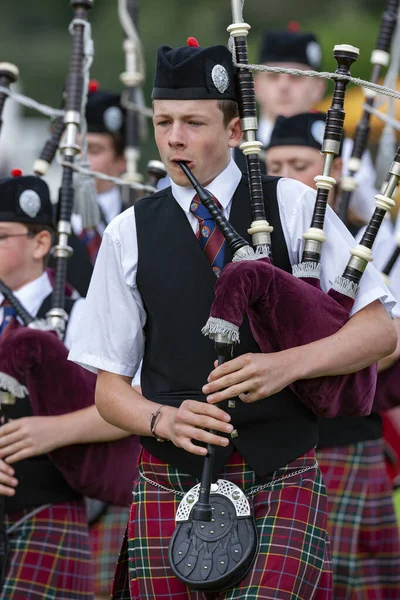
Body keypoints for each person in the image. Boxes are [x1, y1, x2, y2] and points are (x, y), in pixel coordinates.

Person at [69, 41, 397, 600]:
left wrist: (287, 365)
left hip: (280, 470)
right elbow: (110, 388)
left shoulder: (292, 205)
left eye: (194, 121)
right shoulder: (127, 233)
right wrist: (160, 421)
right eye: (164, 121)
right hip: (169, 477)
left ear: (235, 126)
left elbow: (381, 329)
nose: (174, 138)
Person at [266, 110, 400, 598]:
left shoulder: (367, 233)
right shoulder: (255, 238)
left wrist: (310, 367)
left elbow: (390, 336)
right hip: (273, 439)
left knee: (345, 583)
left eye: (298, 163)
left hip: (344, 431)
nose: (284, 176)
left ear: (331, 169)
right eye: (273, 165)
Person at [0, 171, 135, 599]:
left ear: (41, 244)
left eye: (1, 235)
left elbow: (131, 407)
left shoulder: (82, 315)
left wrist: (54, 430)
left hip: (48, 508)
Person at [254, 25, 377, 227]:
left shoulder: (344, 150)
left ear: (318, 88)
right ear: (256, 86)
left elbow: (368, 223)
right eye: (273, 76)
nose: (284, 87)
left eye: (296, 77)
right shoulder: (235, 148)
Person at [71, 82, 127, 265]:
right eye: (74, 150)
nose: (80, 161)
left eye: (93, 150)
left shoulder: (140, 220)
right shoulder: (48, 222)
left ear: (122, 160)